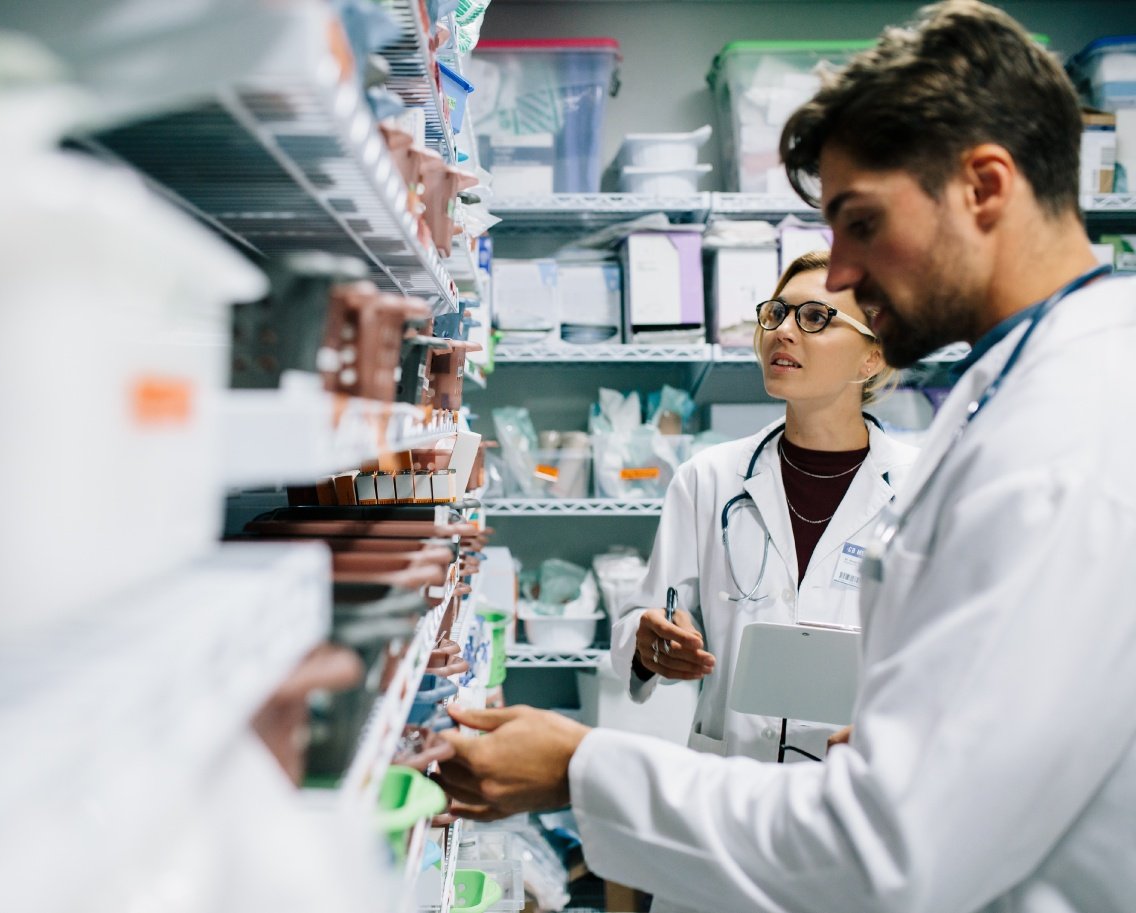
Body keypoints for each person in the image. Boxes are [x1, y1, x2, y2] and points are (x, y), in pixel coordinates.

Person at [437, 3, 1136, 911]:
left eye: (859, 220)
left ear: (986, 187)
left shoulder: (1070, 431)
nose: (838, 271)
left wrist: (583, 767)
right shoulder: (1011, 385)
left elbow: (891, 850)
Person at [613, 249, 915, 778]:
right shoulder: (708, 480)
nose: (784, 332)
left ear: (871, 357)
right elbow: (646, 621)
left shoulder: (921, 488)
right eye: (776, 313)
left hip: (861, 781)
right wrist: (649, 644)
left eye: (815, 318)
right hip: (734, 775)